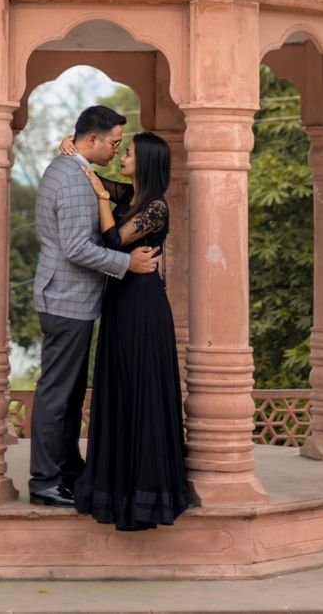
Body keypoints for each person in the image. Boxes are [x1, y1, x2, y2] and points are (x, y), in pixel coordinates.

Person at [29, 105, 162, 507]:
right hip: (66, 299)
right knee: (57, 395)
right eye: (115, 143)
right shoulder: (71, 179)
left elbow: (108, 193)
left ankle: (67, 472)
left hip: (73, 299)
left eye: (124, 147)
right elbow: (75, 247)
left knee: (68, 395)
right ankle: (45, 481)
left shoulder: (73, 169)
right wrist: (127, 262)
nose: (117, 151)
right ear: (93, 140)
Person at [59, 127, 190, 532]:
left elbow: (113, 238)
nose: (122, 156)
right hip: (119, 302)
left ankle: (144, 493)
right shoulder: (129, 196)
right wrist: (72, 151)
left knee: (141, 390)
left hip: (143, 306)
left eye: (128, 152)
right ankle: (113, 487)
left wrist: (99, 197)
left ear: (146, 161)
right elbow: (95, 178)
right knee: (118, 389)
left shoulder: (155, 207)